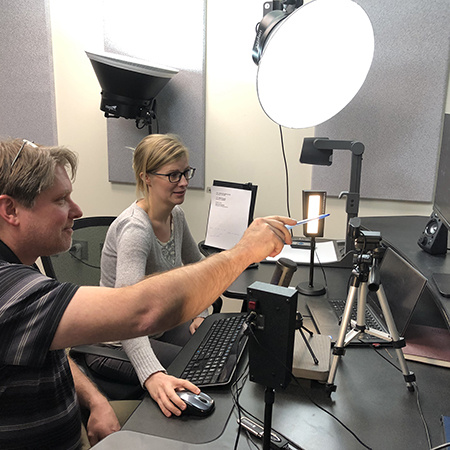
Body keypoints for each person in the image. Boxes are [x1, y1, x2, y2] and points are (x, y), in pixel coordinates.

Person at [0, 138, 295, 449]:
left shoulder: (23, 274)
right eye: (61, 200)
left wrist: (96, 402)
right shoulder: (10, 288)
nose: (77, 210)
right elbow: (139, 313)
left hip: (78, 425)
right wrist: (243, 252)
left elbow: (51, 349)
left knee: (221, 353)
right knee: (198, 381)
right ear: (10, 209)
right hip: (112, 348)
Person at [88, 134, 209, 418]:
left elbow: (200, 267)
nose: (184, 182)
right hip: (114, 342)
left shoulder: (175, 216)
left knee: (217, 350)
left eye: (186, 172)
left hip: (156, 328)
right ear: (147, 178)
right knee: (195, 371)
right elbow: (127, 316)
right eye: (173, 175)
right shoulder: (135, 231)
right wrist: (152, 375)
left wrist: (201, 311)